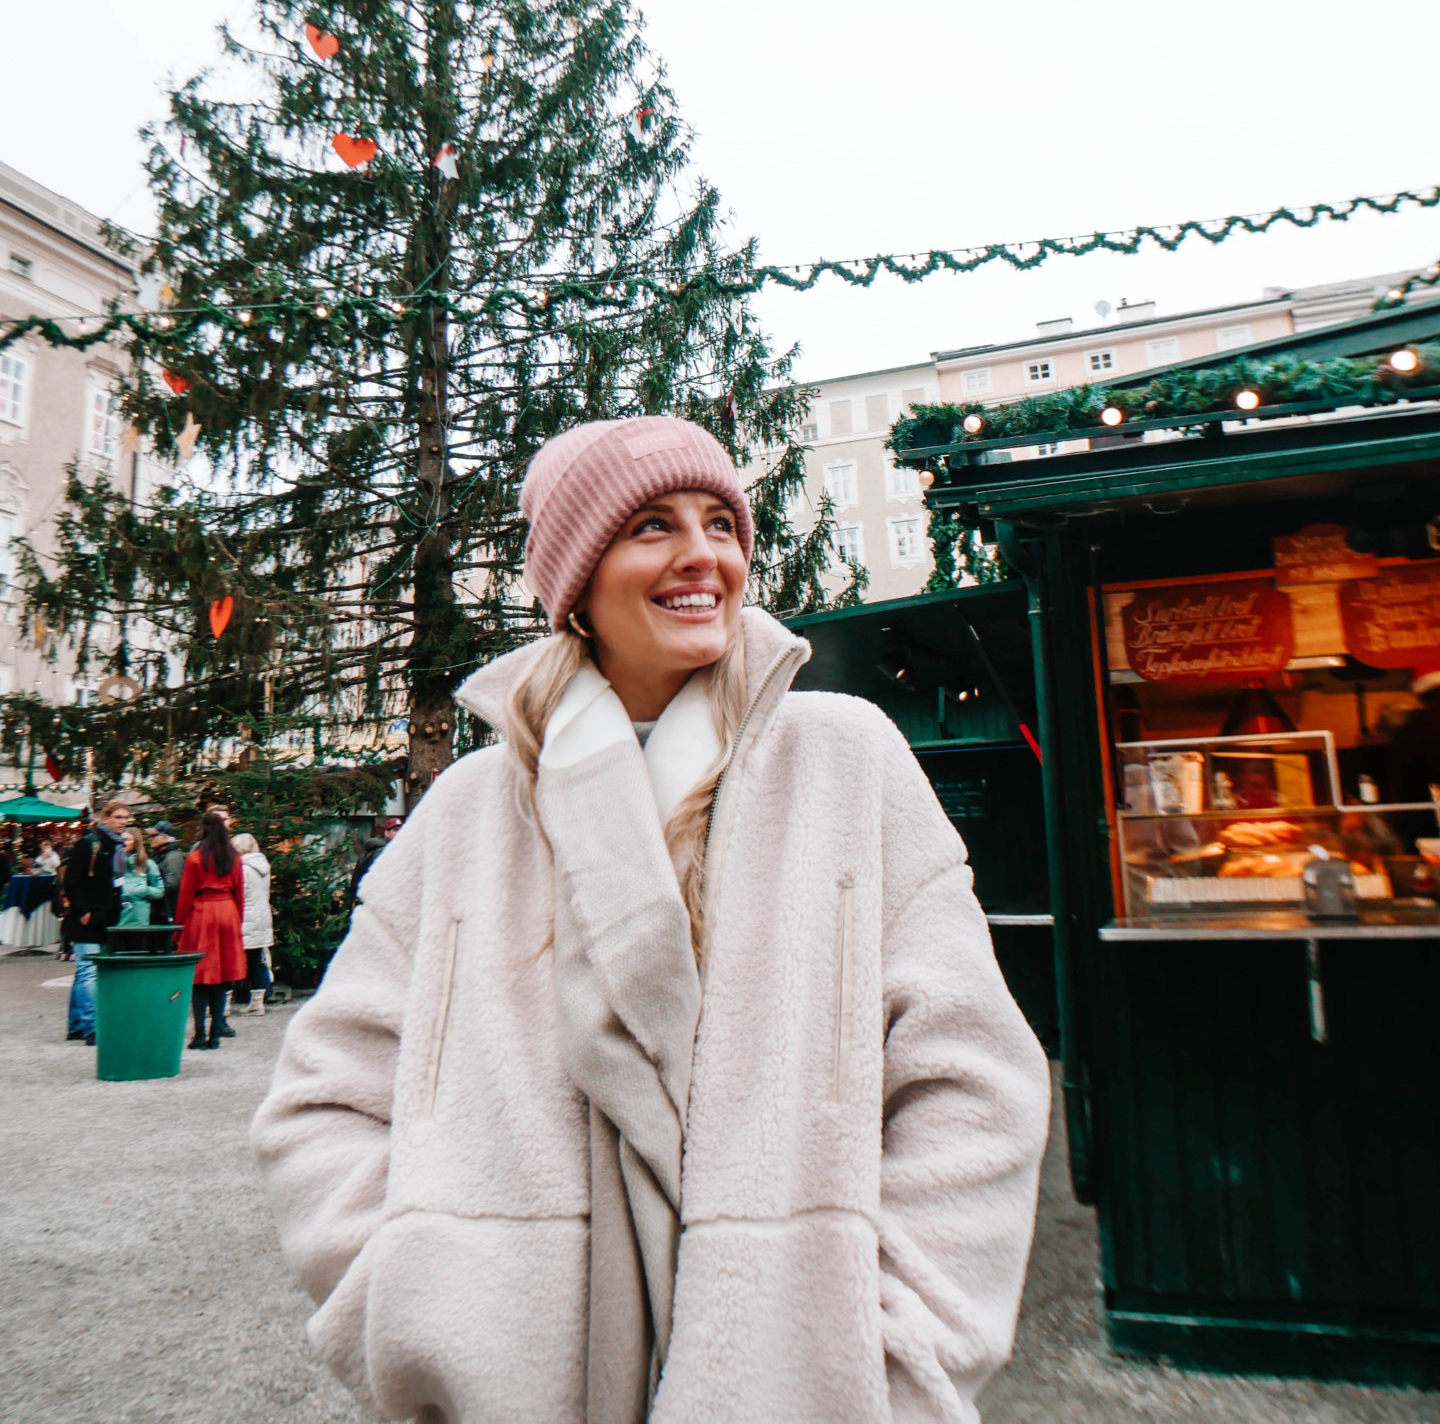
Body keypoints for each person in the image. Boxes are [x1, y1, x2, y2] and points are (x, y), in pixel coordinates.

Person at [254, 416, 1050, 1423]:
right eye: (650, 526)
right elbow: (324, 1096)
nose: (701, 554)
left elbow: (974, 1079)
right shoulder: (469, 809)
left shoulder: (846, 762)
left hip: (798, 1385)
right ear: (575, 579)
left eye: (721, 520)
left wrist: (898, 1355)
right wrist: (408, 1308)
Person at [61, 797, 130, 1043]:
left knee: (84, 973)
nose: (123, 822)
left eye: (126, 818)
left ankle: (76, 1024)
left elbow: (116, 884)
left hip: (106, 916)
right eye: (118, 817)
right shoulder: (89, 843)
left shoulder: (117, 846)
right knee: (88, 971)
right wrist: (83, 912)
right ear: (106, 818)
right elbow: (70, 881)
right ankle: (91, 1027)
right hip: (87, 918)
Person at [176, 809, 246, 1049]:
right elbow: (240, 893)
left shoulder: (195, 858)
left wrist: (178, 929)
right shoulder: (234, 857)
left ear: (203, 829)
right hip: (227, 911)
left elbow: (185, 895)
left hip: (202, 914)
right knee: (221, 978)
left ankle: (199, 1034)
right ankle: (216, 1031)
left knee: (200, 978)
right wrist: (237, 922)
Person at [231, 832, 274, 1015]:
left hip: (244, 918)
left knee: (232, 960)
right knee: (257, 960)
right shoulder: (262, 866)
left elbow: (238, 893)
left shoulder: (242, 868)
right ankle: (257, 1002)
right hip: (261, 916)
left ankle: (224, 1002)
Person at [117, 827, 163, 929]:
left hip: (139, 920)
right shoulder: (115, 863)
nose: (123, 843)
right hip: (116, 918)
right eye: (121, 840)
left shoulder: (147, 864)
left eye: (127, 840)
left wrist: (143, 890)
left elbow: (160, 890)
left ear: (136, 842)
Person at [148, 821, 186, 924]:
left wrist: (148, 891)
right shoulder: (160, 856)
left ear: (164, 837)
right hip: (160, 913)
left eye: (154, 836)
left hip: (166, 915)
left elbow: (172, 886)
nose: (150, 839)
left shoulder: (173, 857)